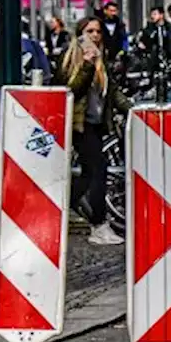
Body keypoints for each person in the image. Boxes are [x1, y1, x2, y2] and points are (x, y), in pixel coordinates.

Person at [57, 16, 131, 246]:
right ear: (79, 35)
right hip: (79, 125)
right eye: (89, 31)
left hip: (97, 123)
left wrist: (132, 109)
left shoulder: (102, 61)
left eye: (98, 31)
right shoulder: (71, 59)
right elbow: (71, 91)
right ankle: (99, 225)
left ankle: (66, 201)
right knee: (99, 169)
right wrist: (88, 64)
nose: (95, 36)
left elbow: (112, 91)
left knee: (90, 173)